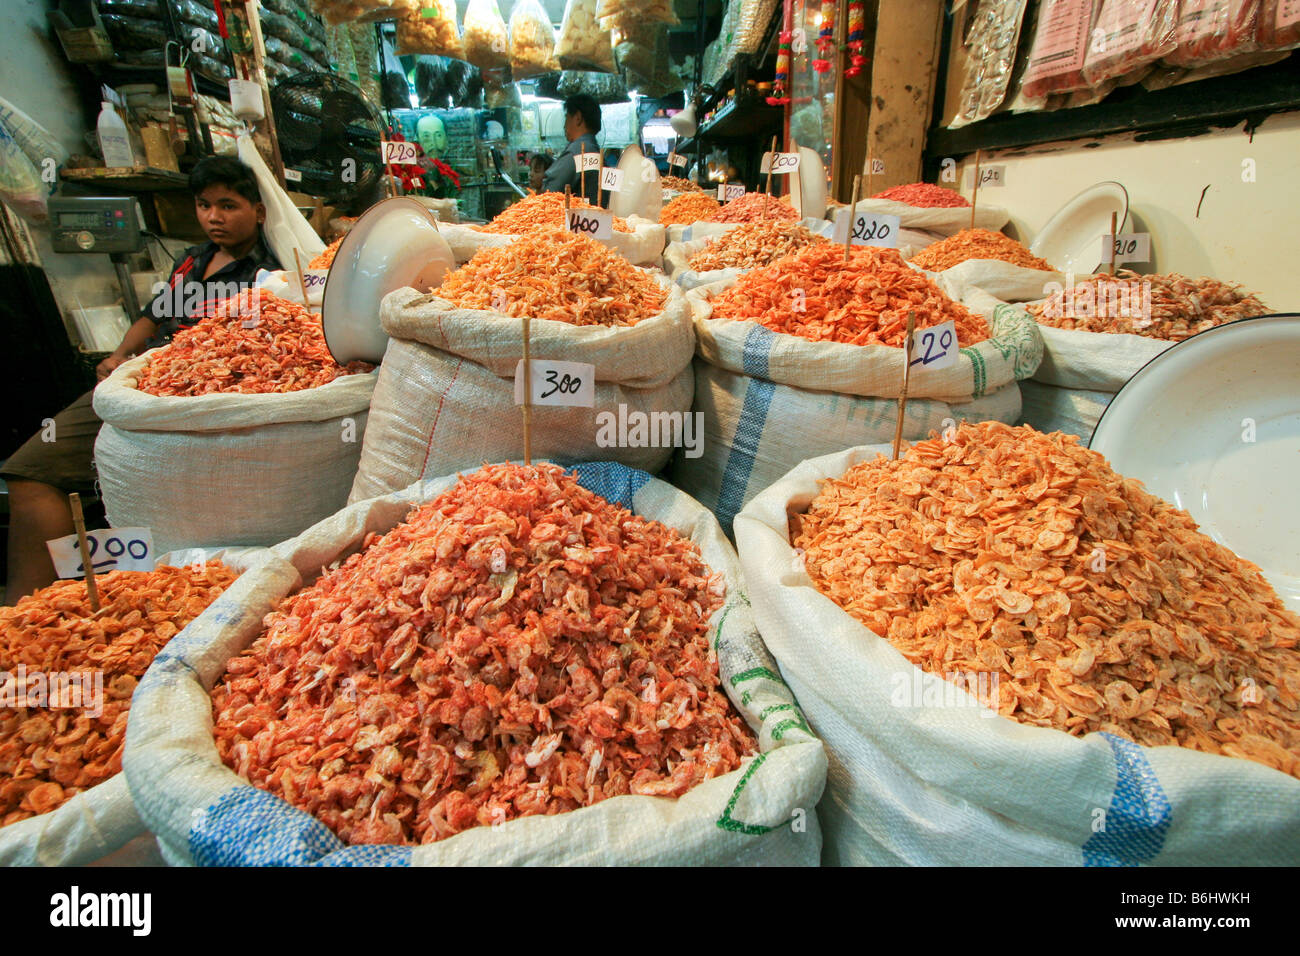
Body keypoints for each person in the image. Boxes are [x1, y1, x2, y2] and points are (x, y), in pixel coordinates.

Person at [2, 156, 280, 603]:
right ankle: (24, 614)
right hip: (141, 381)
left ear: (258, 211)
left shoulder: (272, 271)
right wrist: (119, 356)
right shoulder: (192, 261)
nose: (214, 217)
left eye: (228, 205)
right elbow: (154, 315)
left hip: (199, 397)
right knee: (28, 469)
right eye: (204, 205)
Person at [540, 94, 603, 199]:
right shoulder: (593, 149)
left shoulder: (578, 151)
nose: (564, 126)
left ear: (578, 118)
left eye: (566, 118)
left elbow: (549, 191)